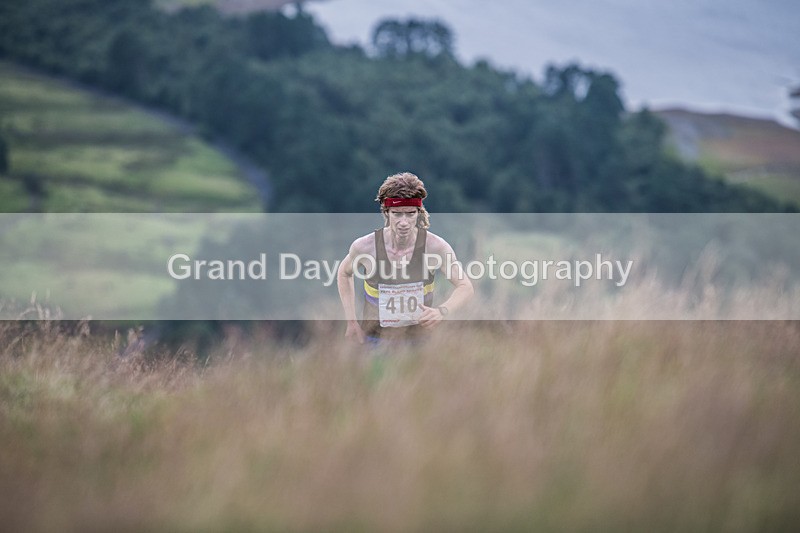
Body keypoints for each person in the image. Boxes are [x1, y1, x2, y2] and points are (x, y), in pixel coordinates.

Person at [337, 172, 473, 344]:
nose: (404, 222)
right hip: (374, 340)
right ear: (386, 212)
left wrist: (441, 311)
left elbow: (465, 287)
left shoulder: (435, 247)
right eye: (397, 214)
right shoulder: (365, 247)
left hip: (420, 341)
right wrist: (351, 321)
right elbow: (344, 273)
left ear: (419, 212)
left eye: (410, 213)